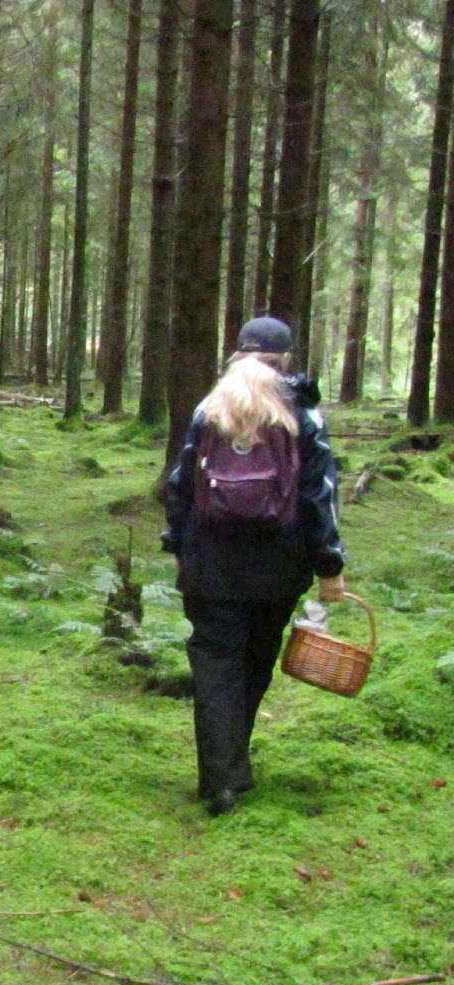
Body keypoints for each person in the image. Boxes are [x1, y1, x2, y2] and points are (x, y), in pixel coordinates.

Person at [162, 317, 346, 816]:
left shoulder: (210, 407)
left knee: (215, 664)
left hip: (210, 560)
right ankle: (231, 770)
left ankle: (221, 779)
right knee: (255, 661)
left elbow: (178, 483)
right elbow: (319, 495)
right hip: (277, 563)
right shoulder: (302, 411)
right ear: (285, 359)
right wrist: (330, 564)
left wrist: (177, 545)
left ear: (238, 355)